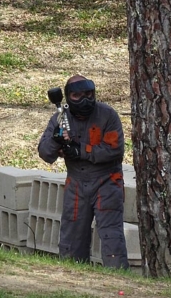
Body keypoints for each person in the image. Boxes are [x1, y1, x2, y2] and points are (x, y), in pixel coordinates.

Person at [38, 75, 129, 269]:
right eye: (77, 96)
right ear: (68, 97)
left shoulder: (107, 115)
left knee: (112, 238)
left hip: (107, 182)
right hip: (76, 185)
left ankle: (118, 281)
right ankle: (73, 280)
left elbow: (115, 150)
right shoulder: (60, 118)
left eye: (89, 94)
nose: (85, 100)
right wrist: (56, 140)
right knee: (72, 240)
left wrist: (81, 150)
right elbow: (45, 154)